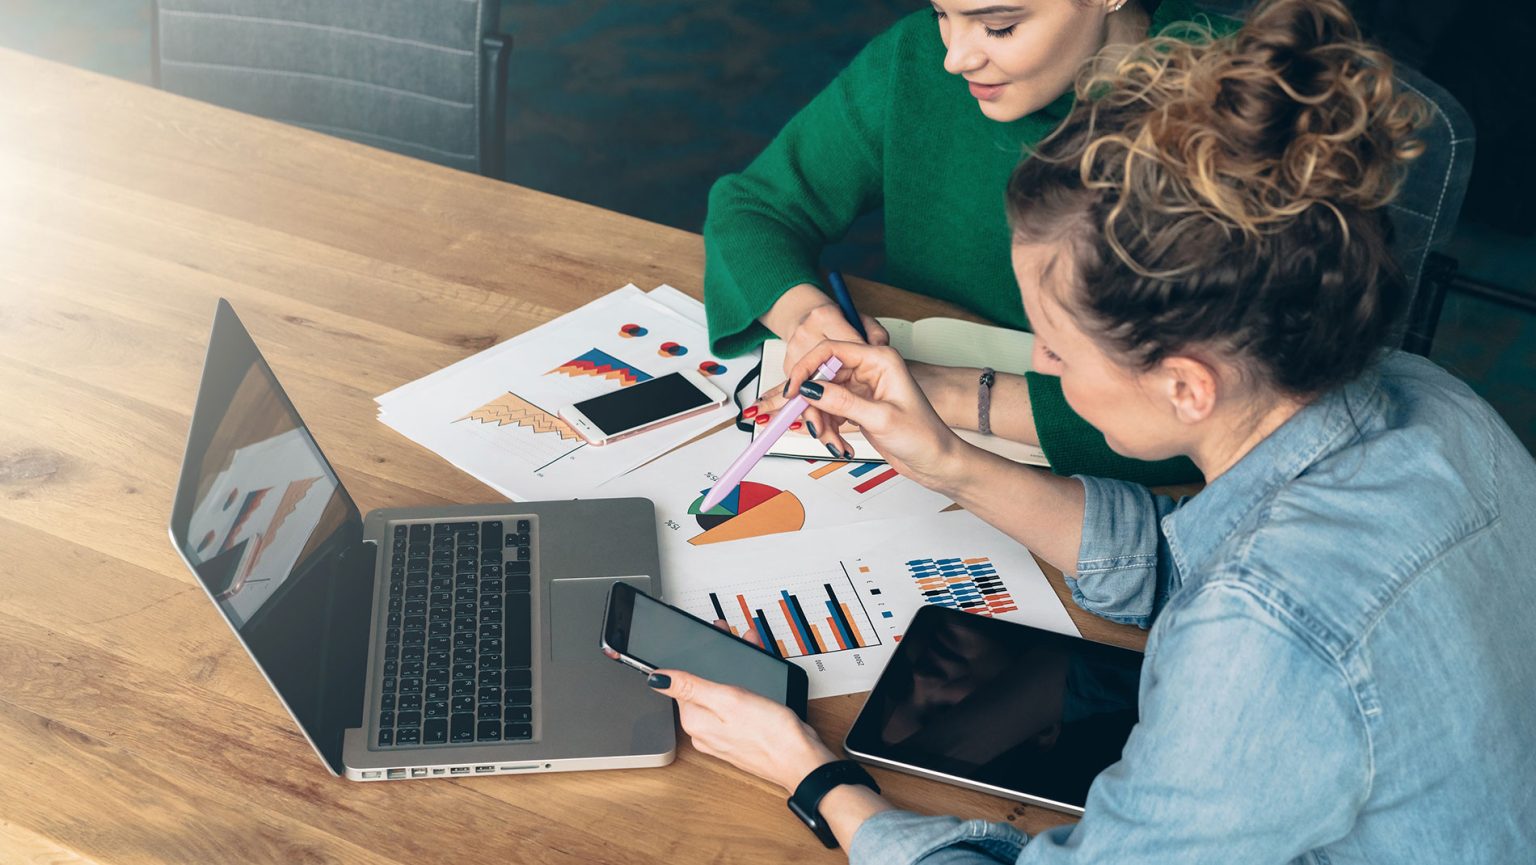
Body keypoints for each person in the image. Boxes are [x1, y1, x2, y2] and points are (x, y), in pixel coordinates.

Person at [653, 0, 1536, 861]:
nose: (1037, 358)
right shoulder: (1441, 406)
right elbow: (1181, 556)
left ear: (1186, 385)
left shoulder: (1258, 645)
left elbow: (1259, 614)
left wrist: (814, 775)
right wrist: (952, 462)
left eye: (1059, 347)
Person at [704, 0, 1219, 486]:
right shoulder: (917, 57)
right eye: (940, 12)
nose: (954, 58)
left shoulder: (1248, 109)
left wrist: (946, 391)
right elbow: (753, 208)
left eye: (999, 26)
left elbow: (1226, 420)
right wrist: (807, 320)